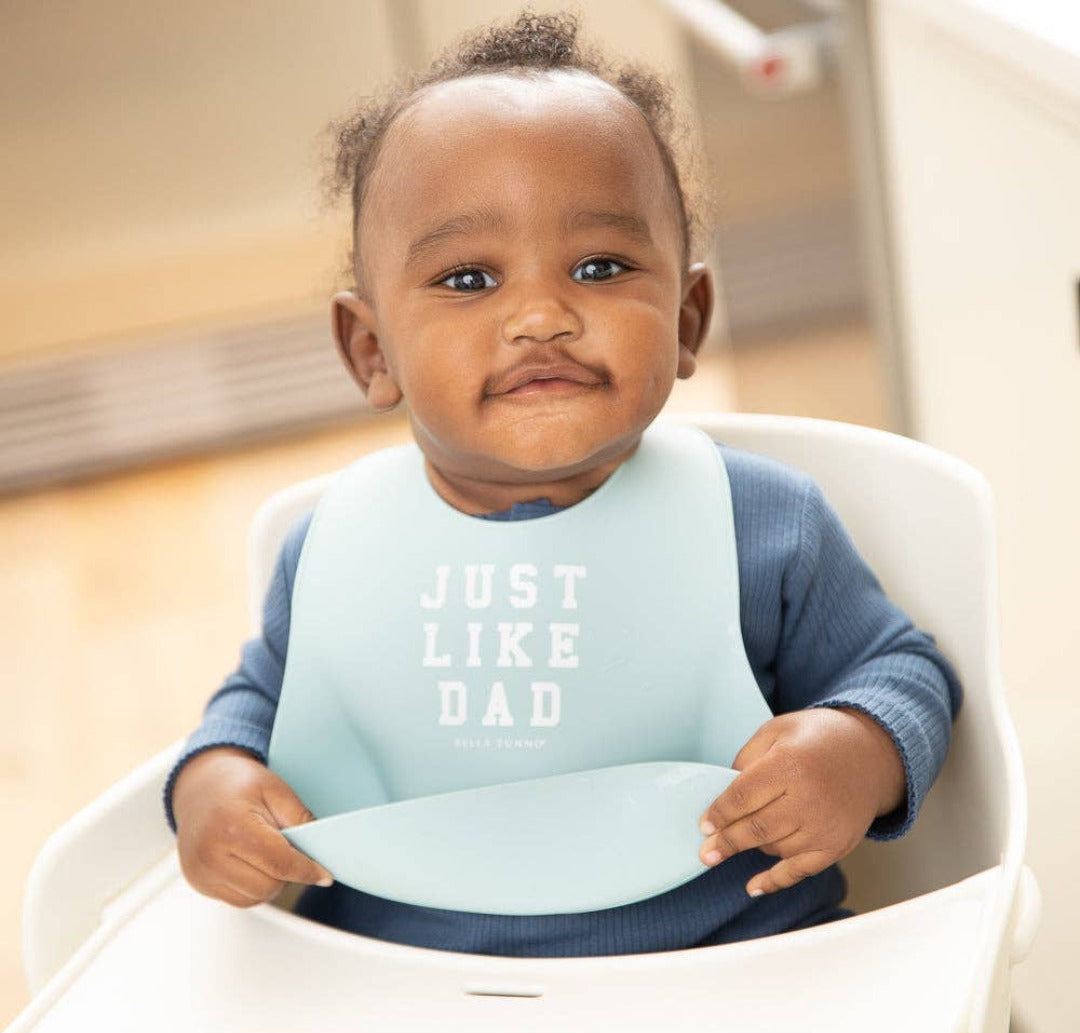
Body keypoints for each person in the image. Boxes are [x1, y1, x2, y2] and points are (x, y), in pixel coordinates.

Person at [165, 11, 961, 957]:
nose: (541, 315)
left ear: (687, 317)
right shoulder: (341, 543)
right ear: (371, 351)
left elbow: (902, 670)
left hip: (735, 964)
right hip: (394, 980)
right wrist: (211, 785)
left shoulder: (763, 524)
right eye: (467, 279)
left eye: (600, 266)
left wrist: (856, 751)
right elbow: (261, 703)